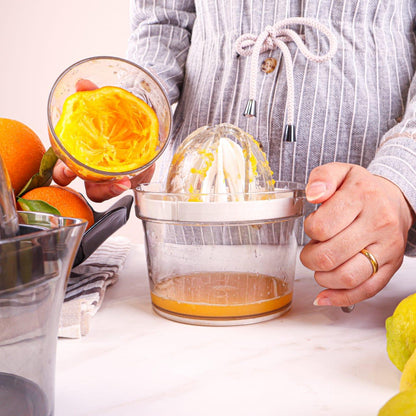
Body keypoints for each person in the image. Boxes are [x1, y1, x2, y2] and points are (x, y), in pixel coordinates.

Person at [53, 0, 416, 309]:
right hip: (191, 250)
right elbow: (164, 20)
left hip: (368, 255)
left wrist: (400, 181)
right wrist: (139, 117)